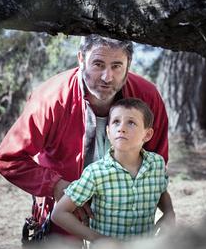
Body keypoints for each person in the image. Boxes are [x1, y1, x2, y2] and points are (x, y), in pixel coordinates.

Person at [0, 34, 171, 238]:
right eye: (98, 64)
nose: (107, 77)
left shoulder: (147, 97)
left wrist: (167, 210)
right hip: (64, 221)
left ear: (128, 64)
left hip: (128, 226)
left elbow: (157, 162)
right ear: (80, 59)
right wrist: (56, 185)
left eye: (116, 66)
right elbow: (7, 159)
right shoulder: (50, 99)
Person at [52, 98, 175, 241]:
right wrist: (98, 239)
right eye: (116, 121)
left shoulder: (157, 164)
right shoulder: (96, 172)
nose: (121, 128)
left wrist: (169, 212)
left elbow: (161, 191)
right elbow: (59, 213)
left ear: (147, 135)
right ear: (108, 132)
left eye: (131, 122)